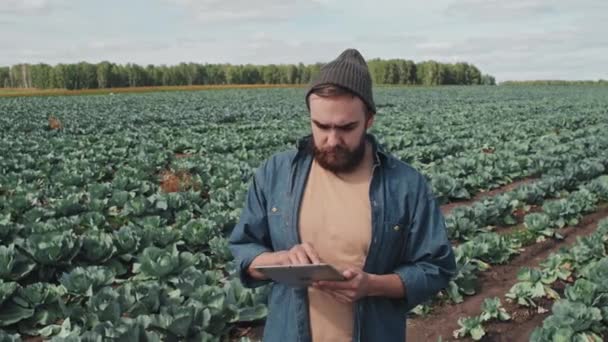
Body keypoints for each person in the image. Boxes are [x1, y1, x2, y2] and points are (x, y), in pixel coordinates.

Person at [228, 48, 457, 341]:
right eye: (321, 126)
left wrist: (373, 285)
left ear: (369, 119)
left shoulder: (406, 185)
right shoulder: (276, 174)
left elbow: (436, 267)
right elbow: (243, 249)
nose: (332, 140)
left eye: (347, 127)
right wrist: (280, 260)